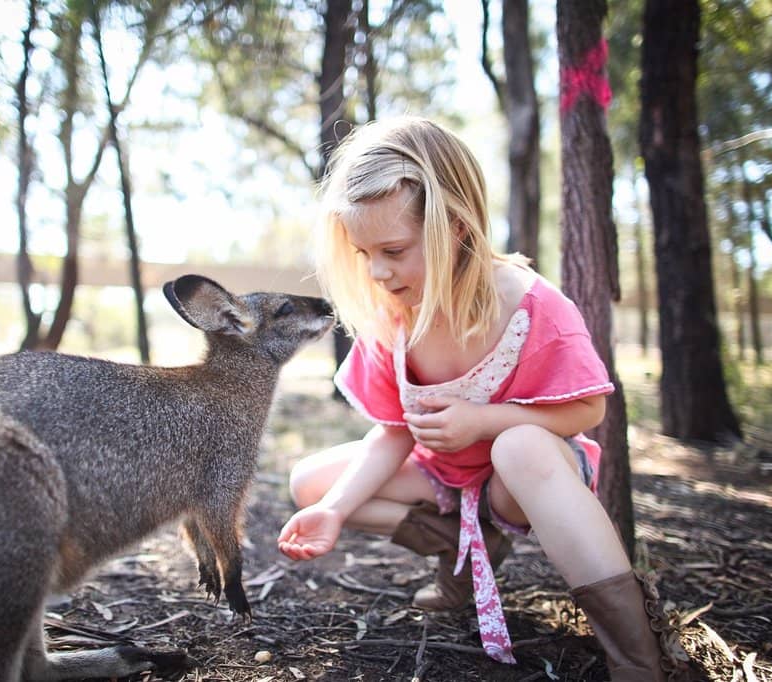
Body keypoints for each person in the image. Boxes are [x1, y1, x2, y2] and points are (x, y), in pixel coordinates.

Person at [276, 116, 687, 680]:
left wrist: (482, 421)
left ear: (457, 227)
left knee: (519, 447)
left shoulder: (531, 306)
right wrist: (335, 511)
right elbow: (395, 432)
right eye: (363, 251)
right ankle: (467, 553)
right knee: (311, 483)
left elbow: (588, 411)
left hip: (518, 482)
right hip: (443, 476)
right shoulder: (393, 316)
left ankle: (639, 658)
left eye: (393, 249)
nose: (376, 271)